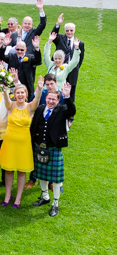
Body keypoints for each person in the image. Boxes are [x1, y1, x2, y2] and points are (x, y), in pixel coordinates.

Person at [0, 78, 43, 208]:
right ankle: (7, 196)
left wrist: (39, 88)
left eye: (23, 93)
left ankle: (18, 198)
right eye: (18, 93)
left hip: (23, 143)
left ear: (26, 94)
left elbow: (37, 100)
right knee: (9, 170)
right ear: (15, 94)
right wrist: (5, 90)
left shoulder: (30, 107)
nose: (20, 95)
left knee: (22, 171)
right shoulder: (11, 105)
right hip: (10, 142)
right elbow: (6, 98)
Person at [30, 83, 75, 217]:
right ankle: (45, 197)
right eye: (49, 99)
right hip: (40, 147)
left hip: (54, 148)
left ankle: (55, 203)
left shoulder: (62, 110)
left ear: (57, 100)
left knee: (55, 179)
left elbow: (71, 111)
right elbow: (34, 126)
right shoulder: (40, 109)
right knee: (41, 175)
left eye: (54, 99)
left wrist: (67, 97)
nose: (50, 101)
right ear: (46, 98)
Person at [51, 15, 85, 100]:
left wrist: (74, 67)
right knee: (57, 88)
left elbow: (80, 59)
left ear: (74, 30)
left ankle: (70, 110)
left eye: (71, 30)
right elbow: (53, 34)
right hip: (59, 69)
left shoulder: (79, 43)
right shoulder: (60, 38)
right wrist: (58, 24)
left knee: (71, 90)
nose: (69, 32)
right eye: (67, 30)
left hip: (72, 69)